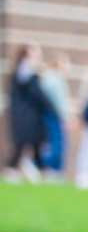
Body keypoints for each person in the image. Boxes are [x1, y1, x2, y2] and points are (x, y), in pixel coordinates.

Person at [7, 44, 53, 180]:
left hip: (30, 115)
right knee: (23, 142)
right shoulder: (25, 72)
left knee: (35, 143)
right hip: (25, 115)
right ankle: (14, 169)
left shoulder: (28, 73)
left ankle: (38, 169)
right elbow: (37, 94)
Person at [36, 55, 72, 176]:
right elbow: (59, 102)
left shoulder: (49, 78)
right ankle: (48, 167)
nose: (68, 68)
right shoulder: (55, 80)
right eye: (66, 65)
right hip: (55, 116)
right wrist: (66, 118)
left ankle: (50, 168)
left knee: (52, 144)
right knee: (57, 144)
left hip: (50, 115)